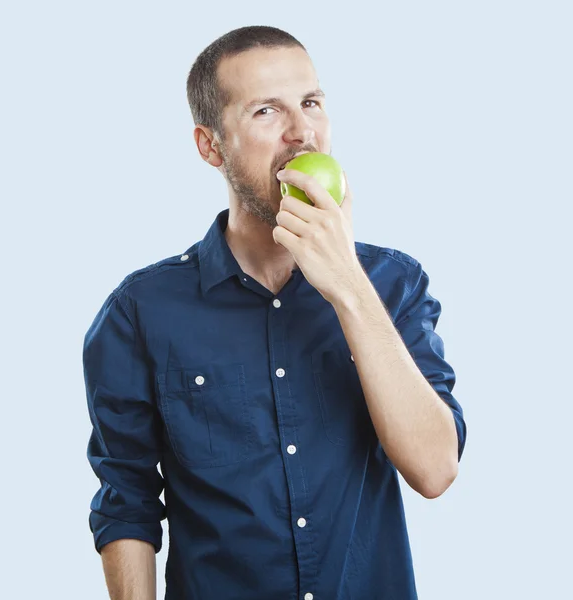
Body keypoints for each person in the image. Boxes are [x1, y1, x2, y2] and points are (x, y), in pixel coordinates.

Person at [82, 25, 467, 600]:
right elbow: (128, 502)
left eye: (310, 103)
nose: (302, 132)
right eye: (267, 111)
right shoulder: (140, 312)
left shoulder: (391, 284)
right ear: (210, 146)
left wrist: (348, 290)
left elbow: (435, 471)